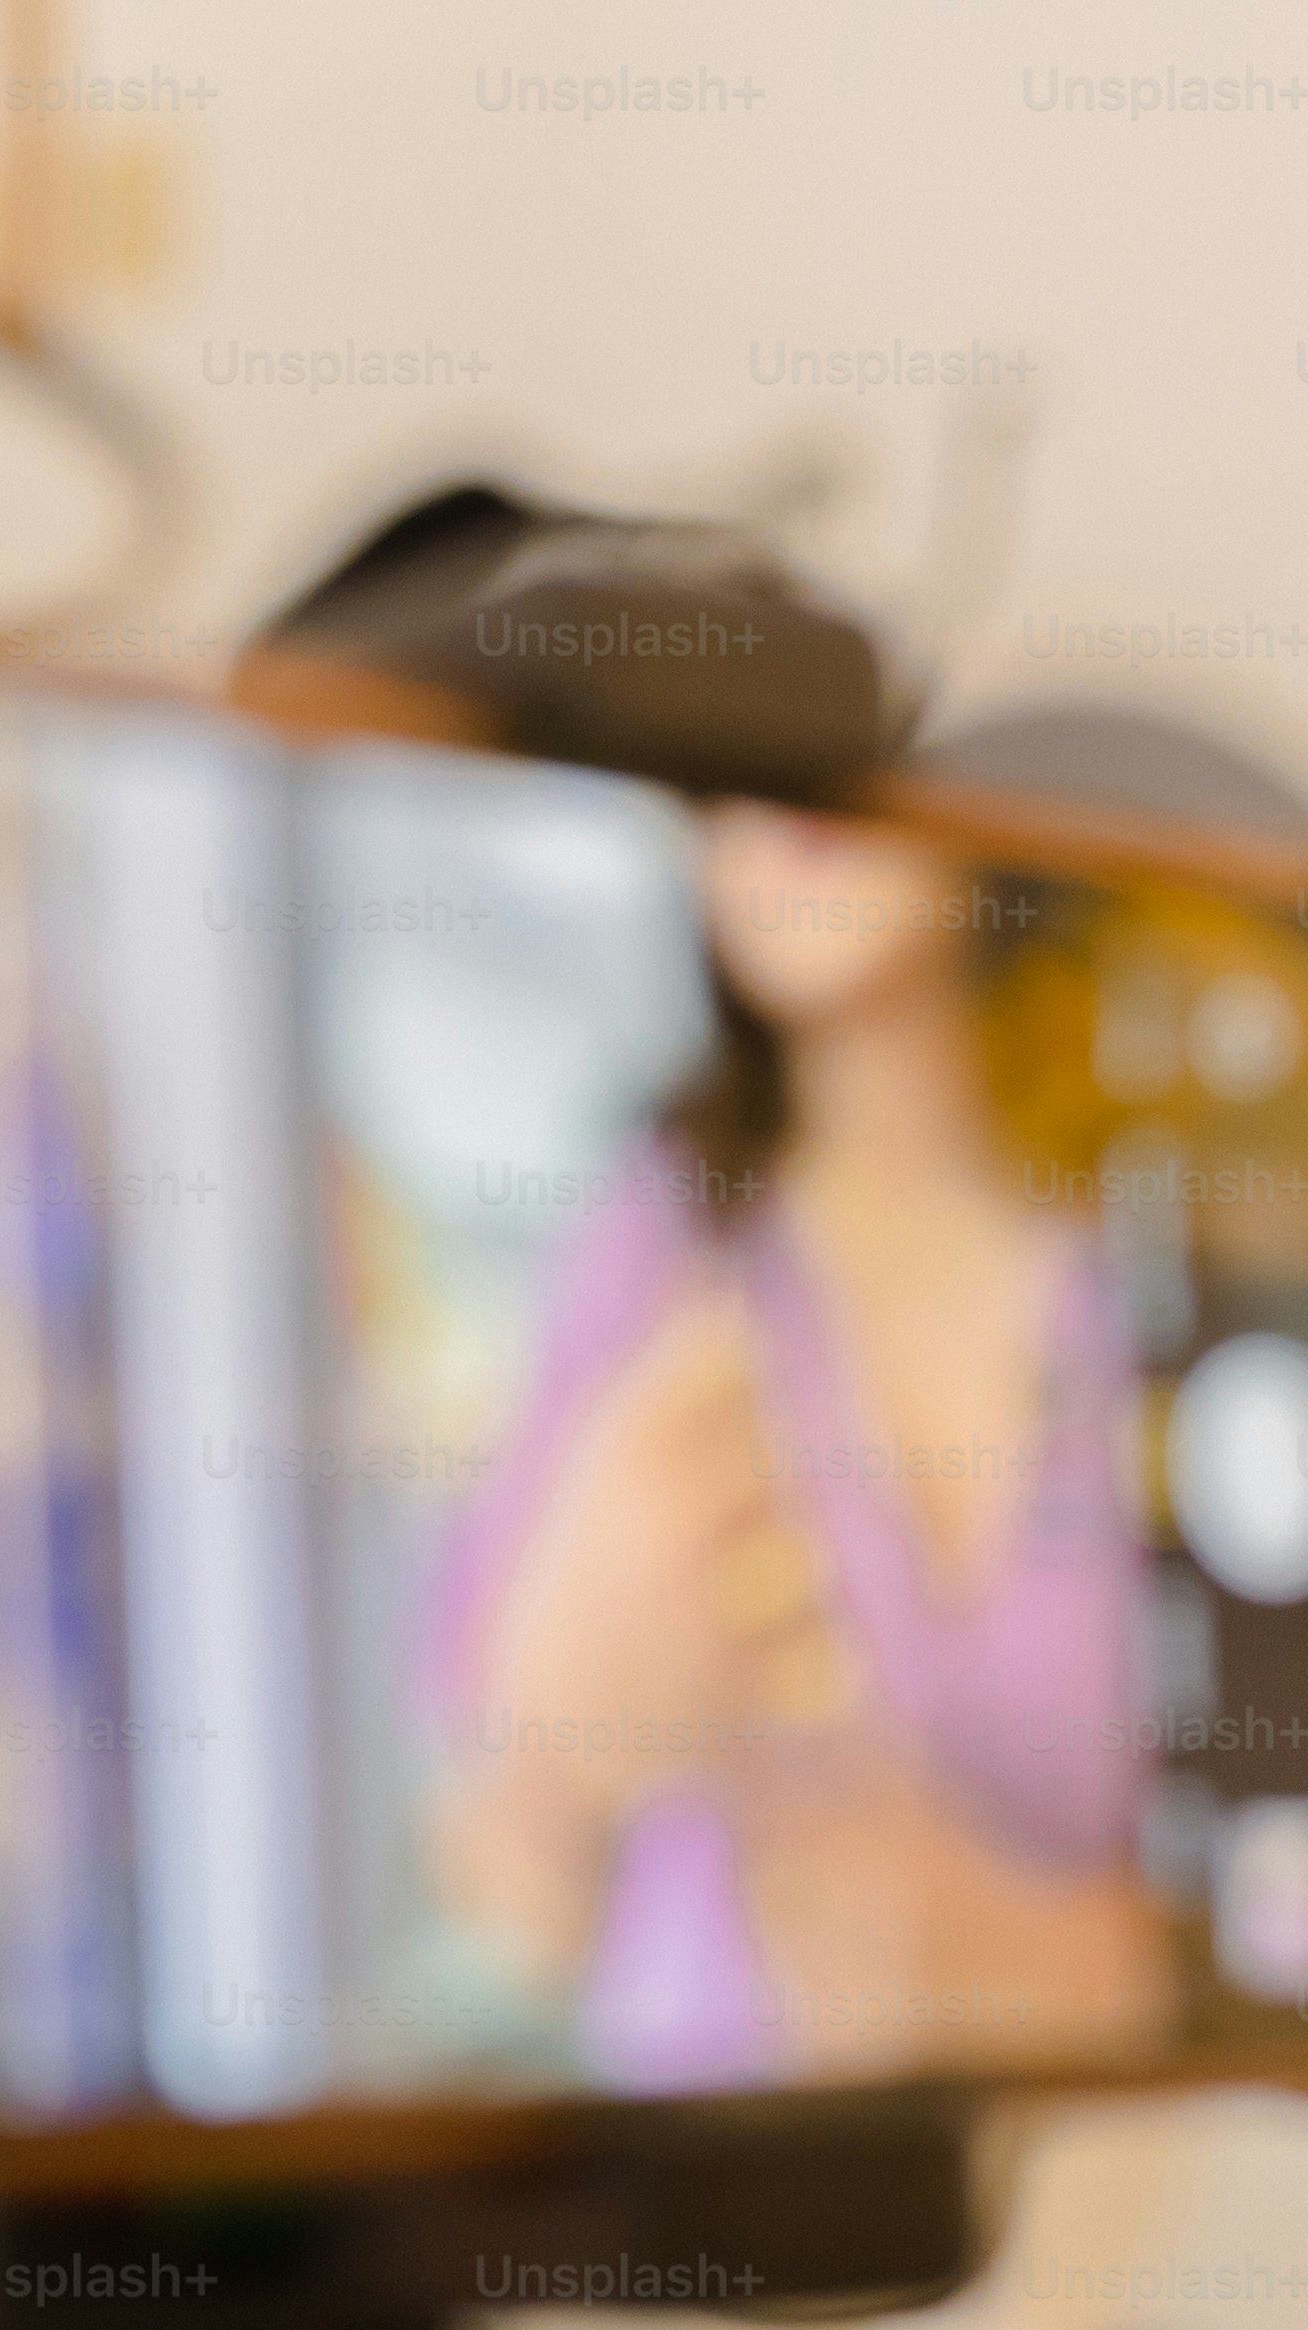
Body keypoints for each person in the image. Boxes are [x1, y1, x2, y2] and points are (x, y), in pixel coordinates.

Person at [423, 800, 1174, 2086]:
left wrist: (1061, 1966)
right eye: (721, 779)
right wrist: (558, 1737)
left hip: (1123, 2203)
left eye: (840, 744)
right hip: (710, 2207)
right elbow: (512, 1911)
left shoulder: (1171, 1246)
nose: (774, 803)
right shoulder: (657, 1247)